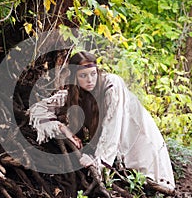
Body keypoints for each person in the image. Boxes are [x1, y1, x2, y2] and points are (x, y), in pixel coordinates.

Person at [28, 51, 175, 190]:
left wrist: (99, 162)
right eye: (83, 75)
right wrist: (63, 129)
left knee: (149, 185)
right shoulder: (74, 94)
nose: (90, 80)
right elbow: (37, 109)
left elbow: (113, 125)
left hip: (141, 144)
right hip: (118, 157)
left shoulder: (112, 84)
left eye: (93, 74)